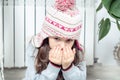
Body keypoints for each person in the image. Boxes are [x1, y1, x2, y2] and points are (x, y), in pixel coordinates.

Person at [23, 0, 86, 80]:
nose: (62, 46)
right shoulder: (35, 49)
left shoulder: (77, 51)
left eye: (69, 40)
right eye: (56, 38)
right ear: (47, 36)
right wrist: (53, 66)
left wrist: (68, 67)